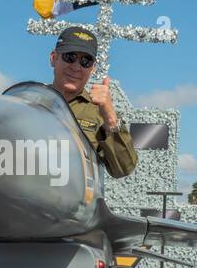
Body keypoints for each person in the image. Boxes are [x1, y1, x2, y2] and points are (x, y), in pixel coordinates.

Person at [47, 26, 138, 178]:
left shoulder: (99, 113)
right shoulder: (29, 102)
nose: (76, 67)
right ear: (53, 58)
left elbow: (123, 169)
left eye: (85, 61)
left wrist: (110, 118)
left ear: (93, 69)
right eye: (70, 57)